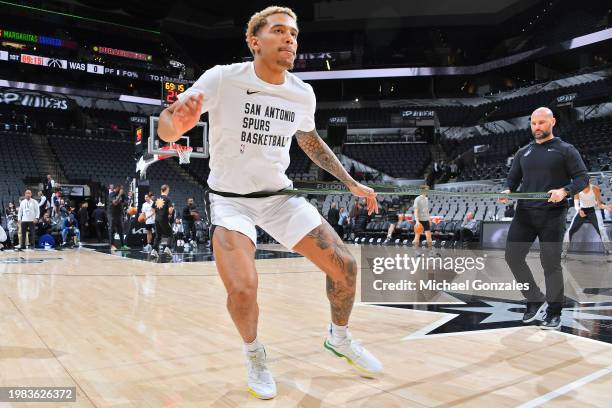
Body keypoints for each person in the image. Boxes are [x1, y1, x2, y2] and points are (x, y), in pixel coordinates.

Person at [156, 5, 381, 400]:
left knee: (345, 267)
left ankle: (340, 337)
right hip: (231, 201)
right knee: (243, 289)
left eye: (293, 34)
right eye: (279, 31)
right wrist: (177, 123)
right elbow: (168, 123)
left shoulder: (301, 92)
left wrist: (350, 182)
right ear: (254, 41)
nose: (290, 39)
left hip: (279, 198)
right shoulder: (224, 78)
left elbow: (309, 141)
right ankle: (254, 352)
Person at [500, 107, 588, 330]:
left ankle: (554, 312)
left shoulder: (566, 150)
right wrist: (507, 192)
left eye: (541, 123)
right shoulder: (523, 152)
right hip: (525, 215)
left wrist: (565, 191)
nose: (536, 127)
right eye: (533, 123)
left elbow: (582, 179)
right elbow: (511, 181)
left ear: (552, 122)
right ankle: (534, 297)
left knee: (550, 264)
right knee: (512, 256)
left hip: (552, 215)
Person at [563, 177, 611, 255]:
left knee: (601, 229)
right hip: (582, 210)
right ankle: (564, 251)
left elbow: (599, 204)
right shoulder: (577, 190)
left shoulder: (595, 189)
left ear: (589, 180)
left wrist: (606, 207)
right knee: (570, 230)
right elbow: (576, 205)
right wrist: (579, 210)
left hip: (593, 210)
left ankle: (608, 250)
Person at [150, 184, 174, 258]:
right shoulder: (167, 199)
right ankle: (168, 248)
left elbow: (152, 209)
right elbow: (170, 211)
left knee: (158, 235)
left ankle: (154, 250)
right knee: (170, 234)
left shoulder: (157, 199)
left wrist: (157, 215)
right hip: (163, 219)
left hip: (156, 219)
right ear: (166, 189)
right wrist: (171, 211)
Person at [109, 185, 129, 250]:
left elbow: (124, 203)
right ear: (117, 188)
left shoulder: (122, 195)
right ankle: (112, 245)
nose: (122, 190)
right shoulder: (112, 194)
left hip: (119, 215)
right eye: (121, 189)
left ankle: (123, 246)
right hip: (112, 215)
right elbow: (115, 203)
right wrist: (120, 194)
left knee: (121, 231)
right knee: (112, 231)